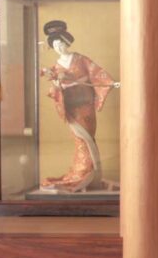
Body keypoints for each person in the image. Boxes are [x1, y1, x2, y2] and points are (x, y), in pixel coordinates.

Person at [39, 20, 119, 192]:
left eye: (61, 43)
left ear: (67, 42)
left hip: (86, 106)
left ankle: (89, 174)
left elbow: (97, 73)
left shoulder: (80, 59)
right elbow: (53, 90)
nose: (59, 47)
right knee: (80, 141)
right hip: (71, 108)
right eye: (55, 45)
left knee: (89, 138)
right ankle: (82, 173)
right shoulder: (55, 67)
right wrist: (58, 84)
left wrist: (111, 83)